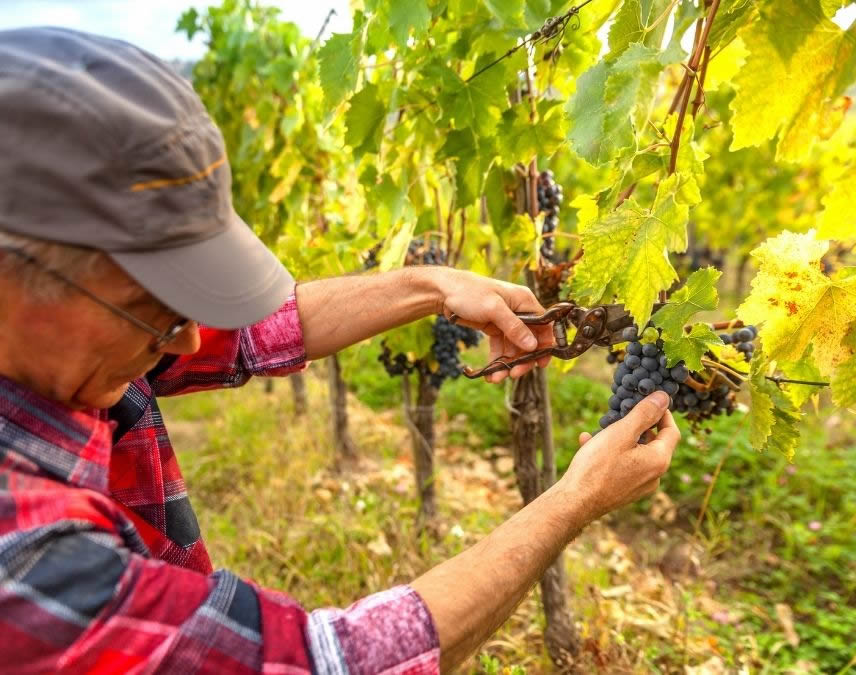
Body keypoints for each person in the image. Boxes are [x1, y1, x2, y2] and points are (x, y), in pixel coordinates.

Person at [0, 27, 679, 673]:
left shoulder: (62, 343)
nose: (186, 338)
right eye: (156, 309)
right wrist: (575, 500)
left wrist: (433, 285)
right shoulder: (24, 564)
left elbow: (251, 332)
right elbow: (332, 661)